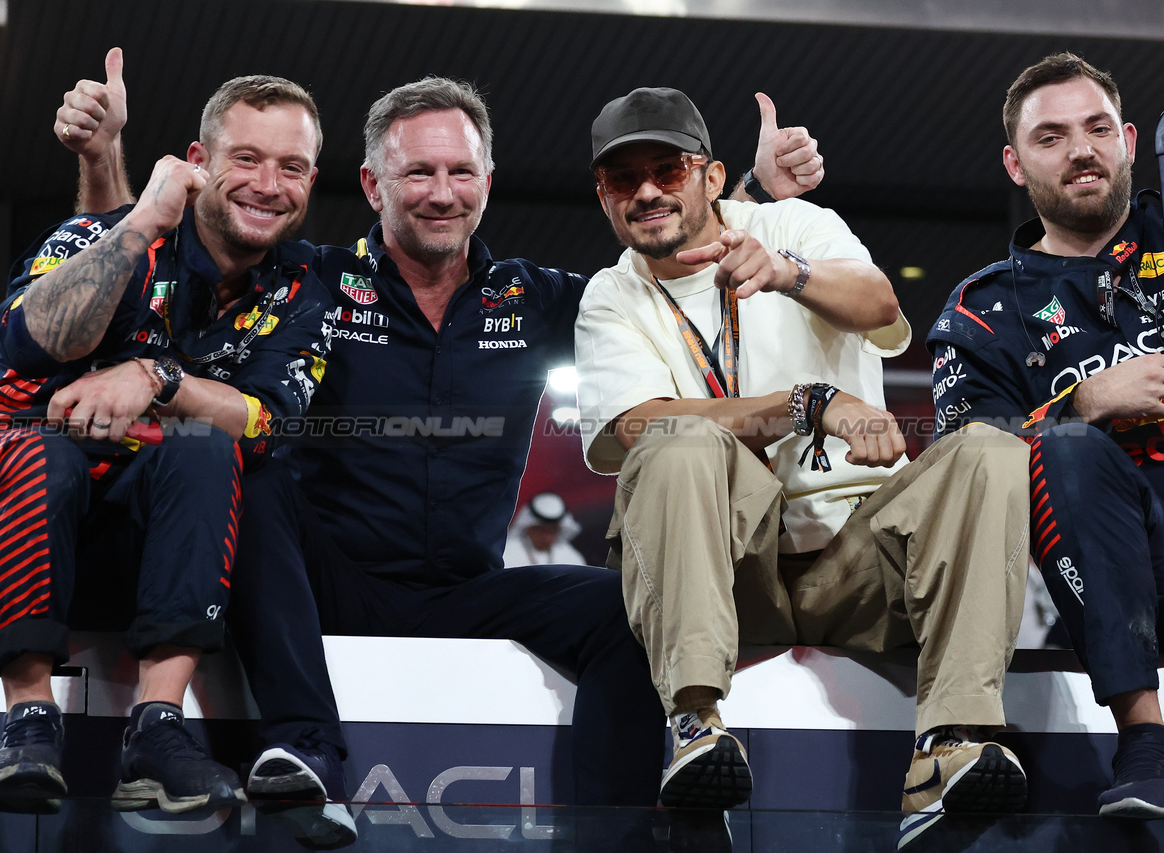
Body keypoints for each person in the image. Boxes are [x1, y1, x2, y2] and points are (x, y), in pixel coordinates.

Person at [59, 56, 822, 848]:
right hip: (323, 582)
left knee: (623, 608)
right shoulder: (309, 278)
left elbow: (672, 265)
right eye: (417, 172)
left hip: (468, 591)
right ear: (371, 184)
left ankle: (620, 835)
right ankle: (304, 742)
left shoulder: (541, 296)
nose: (442, 191)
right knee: (250, 471)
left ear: (489, 180)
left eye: (461, 171)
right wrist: (101, 160)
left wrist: (753, 201)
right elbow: (135, 281)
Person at [574, 87, 1031, 848]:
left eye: (668, 169)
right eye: (624, 179)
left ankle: (949, 742)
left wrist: (789, 271)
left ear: (713, 177)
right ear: (603, 196)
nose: (647, 191)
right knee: (676, 438)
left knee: (990, 450)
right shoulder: (610, 295)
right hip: (731, 575)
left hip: (864, 565)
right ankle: (694, 725)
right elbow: (633, 424)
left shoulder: (795, 224)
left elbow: (880, 302)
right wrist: (807, 402)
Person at [0, 58, 334, 817]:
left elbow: (268, 420)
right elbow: (30, 341)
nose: (270, 183)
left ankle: (159, 729)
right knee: (42, 452)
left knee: (212, 446)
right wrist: (141, 222)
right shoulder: (104, 234)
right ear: (197, 164)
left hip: (118, 551)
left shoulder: (302, 287)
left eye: (292, 166)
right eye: (247, 158)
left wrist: (158, 377)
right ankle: (29, 718)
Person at [927, 52, 1164, 819]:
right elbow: (960, 463)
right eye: (1052, 137)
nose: (1082, 150)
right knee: (1058, 445)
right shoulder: (981, 312)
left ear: (1129, 139)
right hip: (1118, 569)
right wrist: (1081, 401)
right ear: (1015, 163)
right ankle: (1147, 745)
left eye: (1098, 129)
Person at [502, 492, 588, 567]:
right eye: (542, 530)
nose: (547, 538)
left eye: (553, 531)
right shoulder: (506, 553)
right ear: (529, 528)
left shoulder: (570, 557)